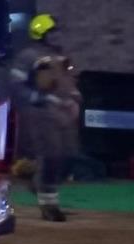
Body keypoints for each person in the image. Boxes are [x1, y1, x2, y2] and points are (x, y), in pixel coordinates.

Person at [10, 13, 81, 222]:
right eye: (52, 32)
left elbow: (70, 79)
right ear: (40, 33)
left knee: (69, 155)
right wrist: (39, 98)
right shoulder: (28, 56)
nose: (56, 36)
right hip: (40, 113)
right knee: (51, 155)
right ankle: (49, 206)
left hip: (63, 113)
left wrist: (75, 97)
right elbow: (16, 85)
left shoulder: (61, 56)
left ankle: (35, 180)